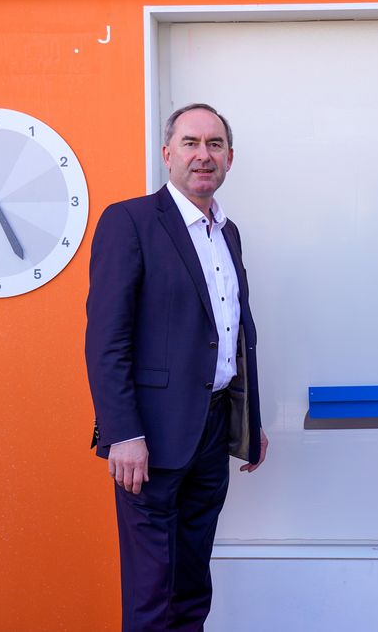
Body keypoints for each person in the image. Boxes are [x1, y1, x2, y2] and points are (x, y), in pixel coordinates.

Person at [85, 103, 268, 632]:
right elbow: (106, 338)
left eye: (214, 145)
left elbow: (235, 333)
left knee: (191, 586)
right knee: (151, 595)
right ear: (168, 154)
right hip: (149, 441)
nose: (203, 156)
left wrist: (249, 422)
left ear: (229, 158)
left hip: (211, 434)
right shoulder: (131, 221)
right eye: (191, 143)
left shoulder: (228, 233)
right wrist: (123, 433)